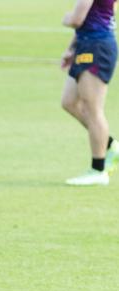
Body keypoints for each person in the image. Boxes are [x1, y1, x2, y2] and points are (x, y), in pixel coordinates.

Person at [61, 0, 119, 186]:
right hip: (88, 44)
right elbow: (92, 19)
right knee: (69, 101)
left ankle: (98, 170)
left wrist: (66, 18)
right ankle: (110, 145)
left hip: (97, 46)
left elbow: (77, 19)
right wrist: (72, 48)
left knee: (93, 109)